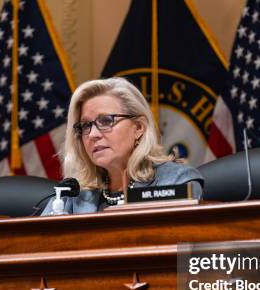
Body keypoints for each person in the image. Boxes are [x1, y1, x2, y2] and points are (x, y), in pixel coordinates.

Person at [41, 77, 203, 215]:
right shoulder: (71, 196)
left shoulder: (176, 181)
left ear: (139, 128)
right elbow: (36, 247)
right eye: (85, 126)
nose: (92, 135)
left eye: (105, 121)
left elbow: (178, 246)